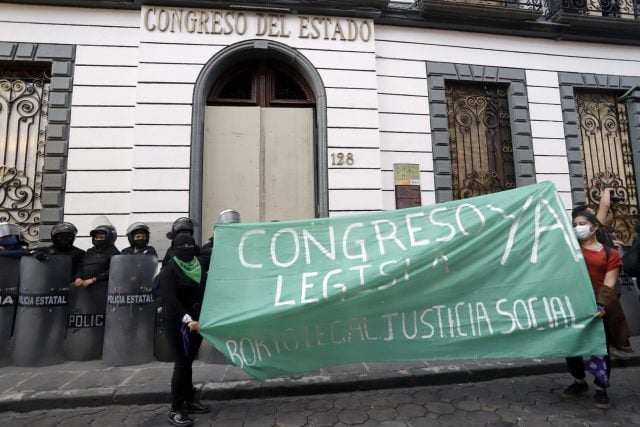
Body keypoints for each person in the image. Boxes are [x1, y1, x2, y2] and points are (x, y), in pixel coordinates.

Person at [563, 209, 630, 409]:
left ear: (594, 227)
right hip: (574, 304)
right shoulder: (570, 250)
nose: (578, 228)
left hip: (599, 305)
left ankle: (601, 388)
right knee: (571, 346)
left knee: (600, 348)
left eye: (582, 224)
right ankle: (579, 381)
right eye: (574, 224)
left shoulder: (610, 253)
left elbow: (609, 283)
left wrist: (601, 305)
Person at [157, 233, 210, 427]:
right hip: (179, 323)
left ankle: (189, 400)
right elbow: (171, 300)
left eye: (189, 244)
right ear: (174, 248)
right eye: (182, 245)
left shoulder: (200, 265)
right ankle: (176, 408)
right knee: (181, 364)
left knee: (188, 362)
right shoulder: (169, 271)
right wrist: (187, 319)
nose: (186, 248)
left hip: (197, 322)